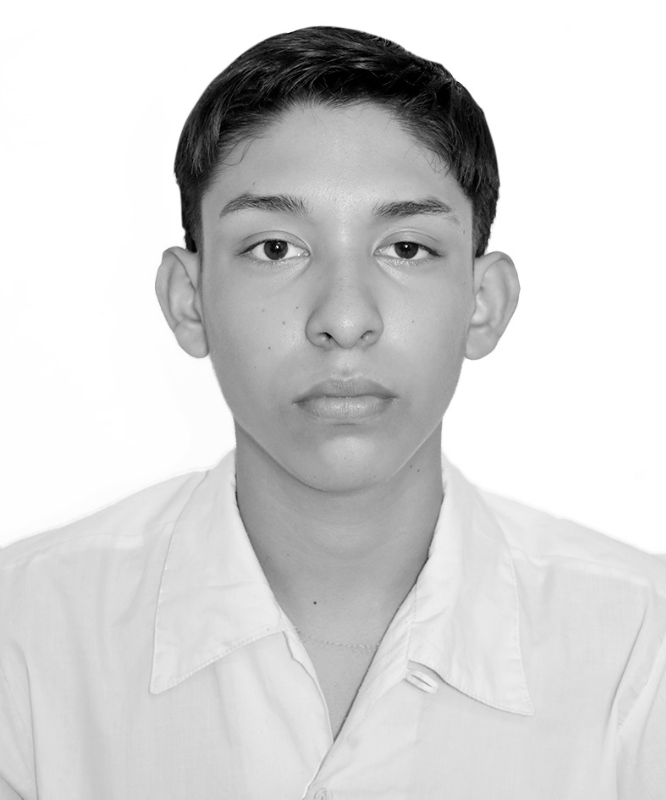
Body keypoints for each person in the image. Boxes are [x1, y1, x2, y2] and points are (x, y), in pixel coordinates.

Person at [1, 25, 664, 800]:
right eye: (275, 248)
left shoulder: (640, 649)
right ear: (189, 300)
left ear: (483, 303)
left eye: (406, 248)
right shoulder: (24, 640)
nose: (345, 320)